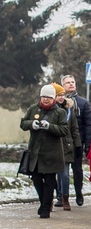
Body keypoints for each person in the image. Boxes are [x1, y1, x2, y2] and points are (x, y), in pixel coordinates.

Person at [20, 85, 69, 218]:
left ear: (53, 98)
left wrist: (49, 126)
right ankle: (44, 203)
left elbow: (64, 130)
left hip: (52, 153)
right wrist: (32, 124)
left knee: (49, 181)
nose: (46, 99)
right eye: (43, 96)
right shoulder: (33, 108)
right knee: (36, 178)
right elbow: (23, 123)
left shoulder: (60, 112)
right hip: (35, 152)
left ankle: (46, 208)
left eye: (48, 97)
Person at [62, 74, 91, 206]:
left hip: (77, 142)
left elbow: (88, 124)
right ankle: (62, 196)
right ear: (62, 86)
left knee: (77, 170)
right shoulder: (59, 102)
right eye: (67, 82)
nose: (71, 84)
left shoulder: (83, 102)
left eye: (72, 82)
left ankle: (78, 193)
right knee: (62, 171)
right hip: (62, 143)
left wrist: (88, 144)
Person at [52, 82, 81, 211]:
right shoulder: (49, 111)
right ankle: (54, 197)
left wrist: (78, 144)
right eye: (59, 95)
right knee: (52, 175)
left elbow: (74, 129)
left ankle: (65, 198)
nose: (62, 97)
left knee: (64, 175)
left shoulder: (69, 111)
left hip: (66, 146)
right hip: (52, 146)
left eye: (63, 95)